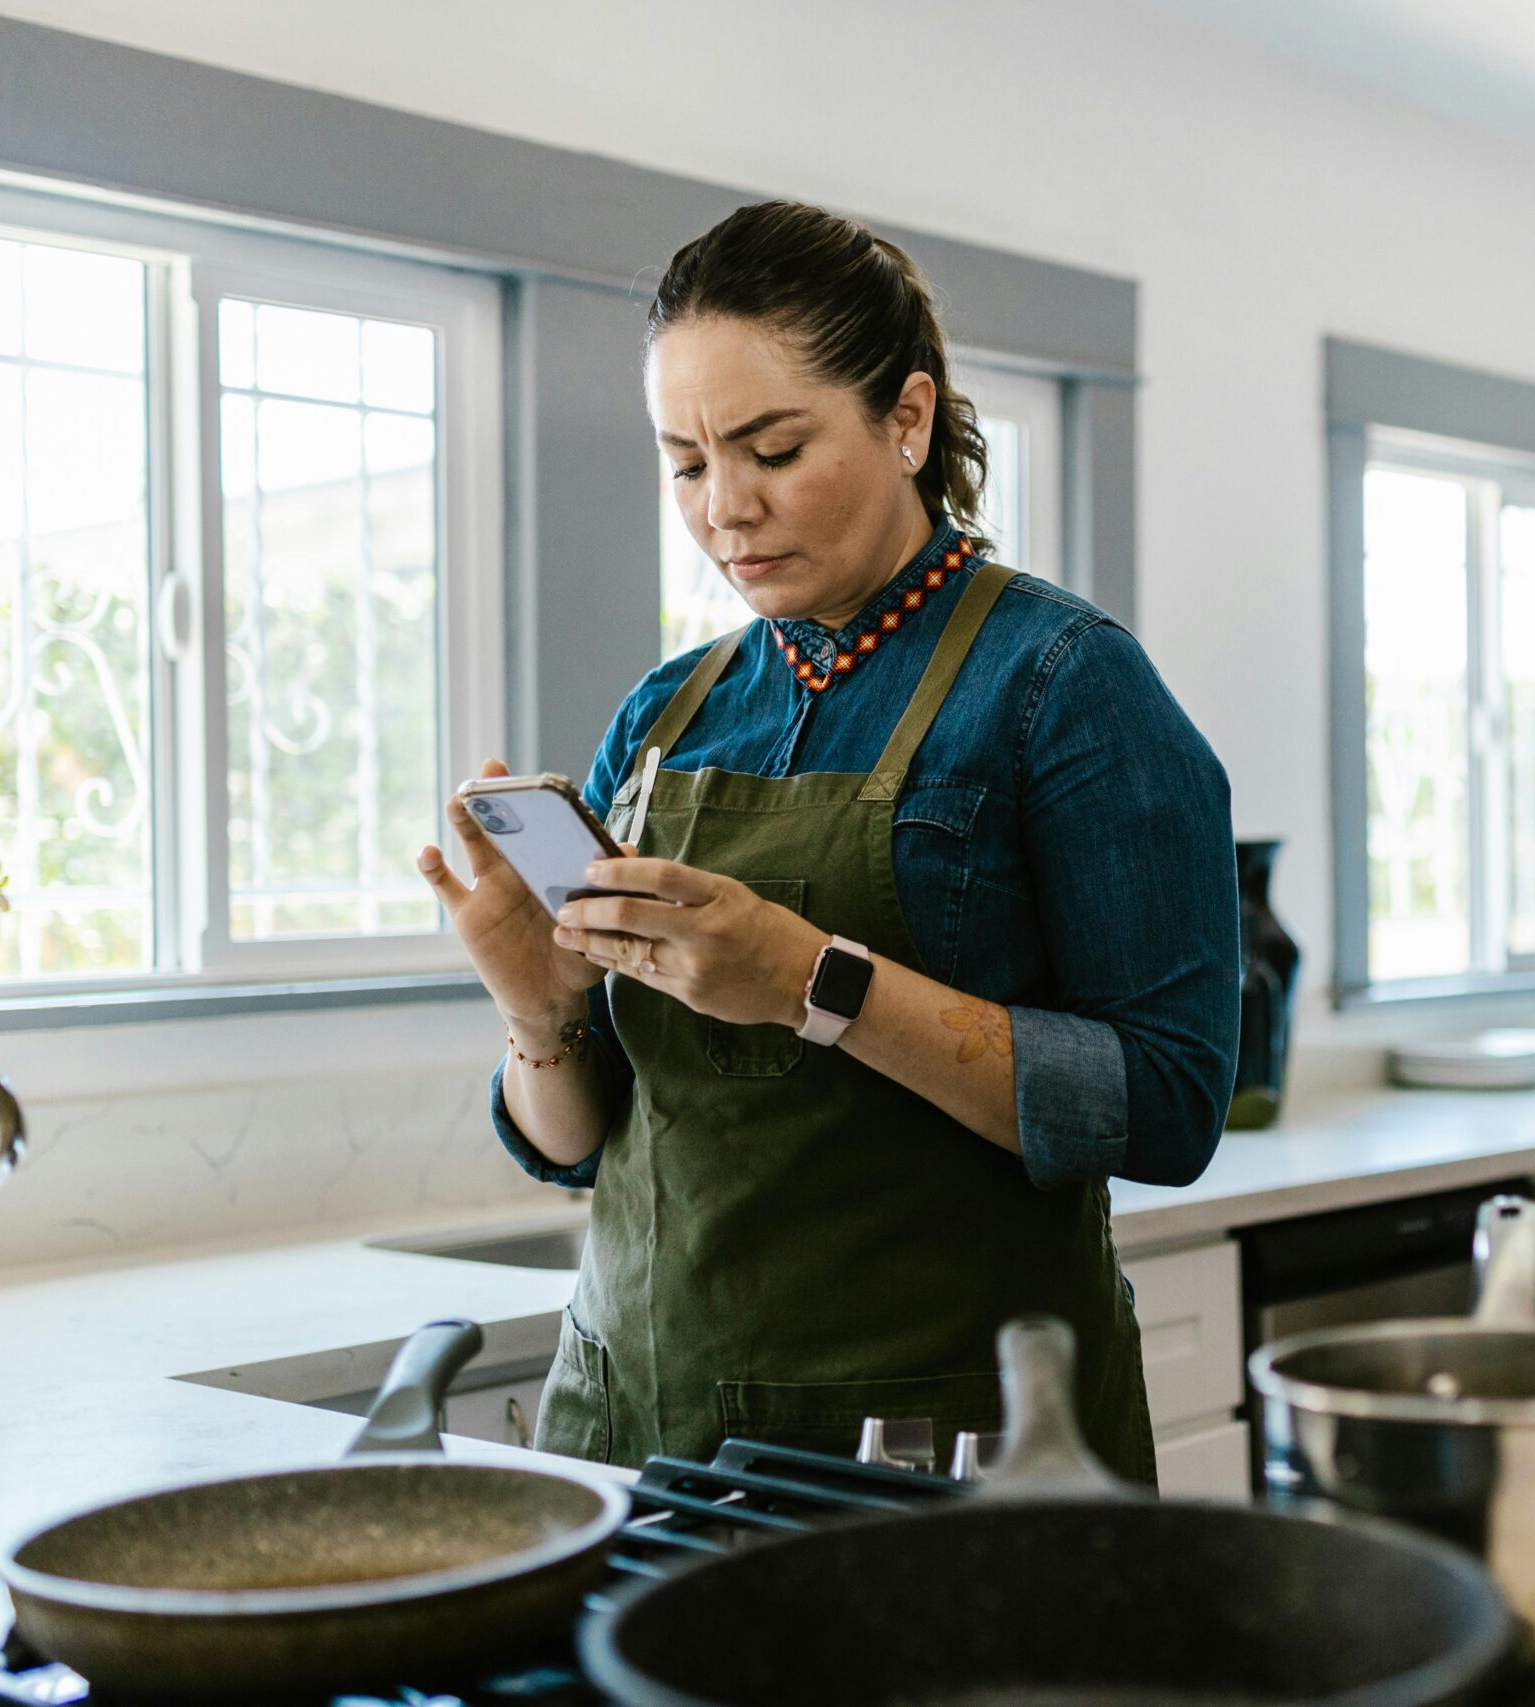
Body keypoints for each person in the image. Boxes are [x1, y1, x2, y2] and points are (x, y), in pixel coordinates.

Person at [416, 200, 1239, 1482]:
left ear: (905, 421)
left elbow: (1171, 1103)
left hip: (925, 1444)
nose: (725, 509)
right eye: (686, 463)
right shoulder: (670, 710)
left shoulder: (1065, 683)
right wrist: (539, 1008)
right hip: (639, 1423)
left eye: (773, 448)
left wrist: (818, 984)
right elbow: (578, 1144)